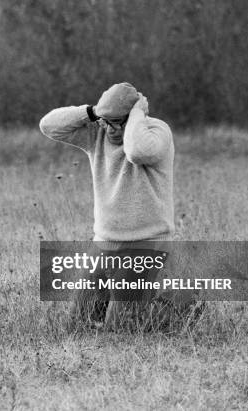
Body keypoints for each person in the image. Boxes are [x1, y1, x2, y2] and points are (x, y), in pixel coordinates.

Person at [39, 82, 176, 330]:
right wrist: (92, 113)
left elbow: (136, 151)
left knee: (119, 330)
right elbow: (48, 126)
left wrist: (137, 114)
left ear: (133, 117)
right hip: (104, 244)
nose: (109, 129)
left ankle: (181, 306)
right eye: (105, 121)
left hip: (146, 244)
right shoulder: (97, 133)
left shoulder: (157, 132)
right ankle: (155, 306)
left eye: (117, 122)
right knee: (77, 326)